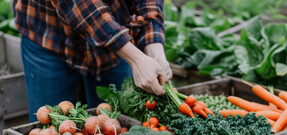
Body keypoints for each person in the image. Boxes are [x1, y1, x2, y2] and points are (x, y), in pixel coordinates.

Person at [12, 0, 173, 122]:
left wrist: (154, 49)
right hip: (49, 33)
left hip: (113, 32)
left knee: (116, 125)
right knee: (48, 125)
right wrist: (136, 58)